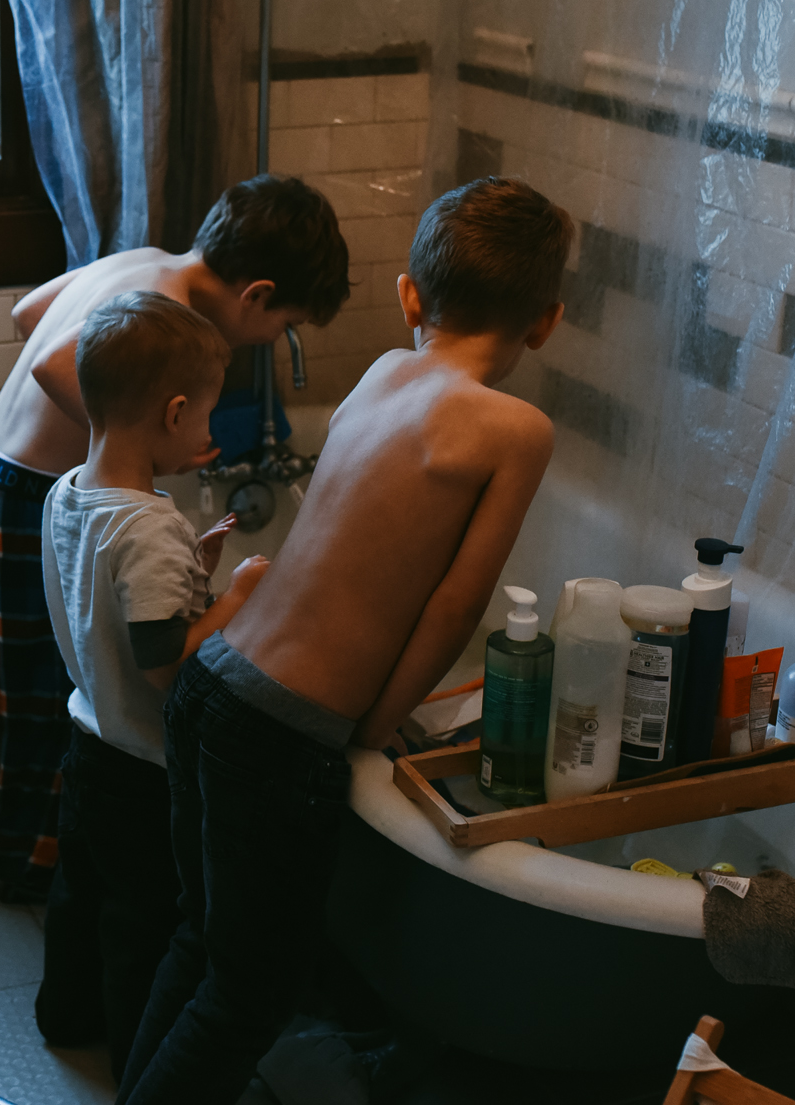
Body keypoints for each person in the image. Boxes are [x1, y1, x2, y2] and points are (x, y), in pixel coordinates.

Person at [117, 177, 575, 1105]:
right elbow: (453, 606)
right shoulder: (517, 430)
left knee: (202, 943)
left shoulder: (379, 374)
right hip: (279, 733)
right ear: (548, 322)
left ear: (410, 296)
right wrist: (376, 723)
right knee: (249, 997)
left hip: (214, 680)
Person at [0, 176, 350, 900]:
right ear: (256, 295)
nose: (275, 343)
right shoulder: (166, 309)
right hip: (25, 486)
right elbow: (50, 363)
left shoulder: (145, 262)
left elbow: (29, 314)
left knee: (32, 674)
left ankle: (29, 840)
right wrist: (135, 439)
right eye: (283, 326)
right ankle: (28, 855)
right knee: (52, 686)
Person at [32, 291, 272, 1080]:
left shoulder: (69, 491)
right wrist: (234, 597)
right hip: (143, 763)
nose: (210, 431)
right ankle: (138, 1057)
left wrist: (187, 574)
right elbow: (168, 665)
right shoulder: (150, 527)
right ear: (174, 414)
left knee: (79, 892)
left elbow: (106, 599)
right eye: (207, 415)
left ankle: (64, 1014)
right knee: (142, 919)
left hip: (87, 734)